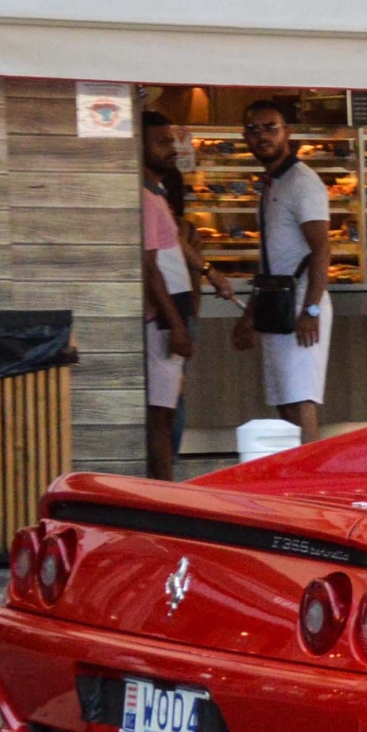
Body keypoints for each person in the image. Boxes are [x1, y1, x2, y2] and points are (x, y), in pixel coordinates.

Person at [228, 98, 330, 444]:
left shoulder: (302, 182)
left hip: (301, 303)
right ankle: (298, 480)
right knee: (286, 402)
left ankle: (309, 486)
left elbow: (321, 248)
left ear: (288, 132)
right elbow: (271, 259)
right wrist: (251, 316)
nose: (262, 137)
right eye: (253, 130)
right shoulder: (272, 183)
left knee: (300, 401)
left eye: (271, 127)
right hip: (277, 304)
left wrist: (311, 309)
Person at [139, 113, 232, 478]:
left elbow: (172, 246)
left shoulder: (156, 196)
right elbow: (150, 268)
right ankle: (160, 495)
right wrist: (176, 324)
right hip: (163, 321)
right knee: (161, 416)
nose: (172, 149)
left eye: (171, 140)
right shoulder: (146, 199)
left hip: (171, 316)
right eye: (161, 142)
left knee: (167, 410)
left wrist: (208, 271)